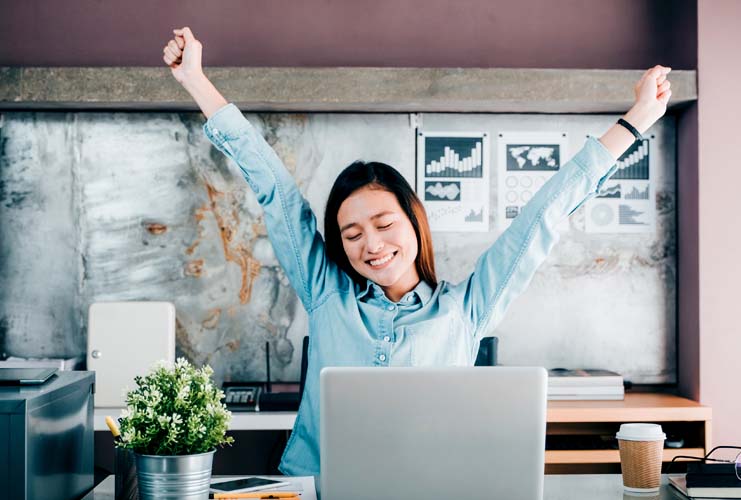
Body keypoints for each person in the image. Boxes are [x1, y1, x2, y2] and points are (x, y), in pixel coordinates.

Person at [162, 27, 672, 476]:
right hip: (316, 487)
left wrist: (635, 121)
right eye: (352, 232)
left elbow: (544, 215)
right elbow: (273, 186)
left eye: (384, 224)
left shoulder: (466, 308)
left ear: (415, 223)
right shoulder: (325, 293)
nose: (372, 245)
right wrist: (196, 81)